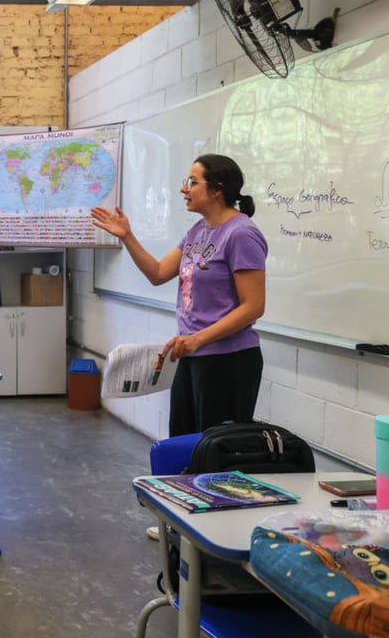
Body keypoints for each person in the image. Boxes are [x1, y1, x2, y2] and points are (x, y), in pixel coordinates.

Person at [91, 153, 267, 437]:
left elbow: (253, 306)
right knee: (183, 445)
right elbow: (159, 273)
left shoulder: (241, 234)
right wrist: (127, 236)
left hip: (228, 360)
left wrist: (198, 339)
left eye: (192, 182)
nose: (183, 189)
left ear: (216, 190)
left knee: (212, 455)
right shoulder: (198, 231)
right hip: (192, 356)